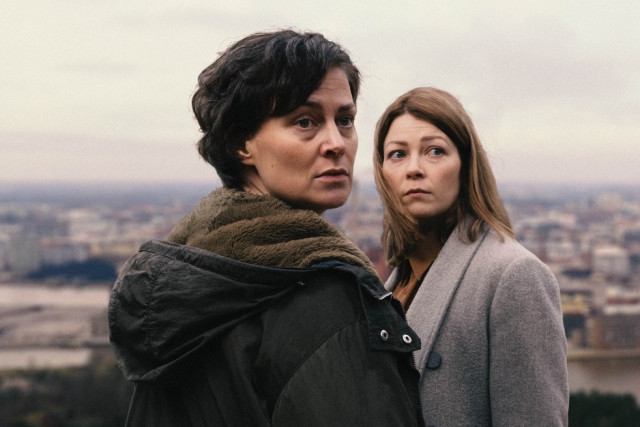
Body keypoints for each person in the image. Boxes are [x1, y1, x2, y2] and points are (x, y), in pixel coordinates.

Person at [108, 30, 424, 426]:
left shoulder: (187, 277)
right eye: (305, 121)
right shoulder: (323, 298)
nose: (336, 143)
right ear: (241, 143)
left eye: (345, 120)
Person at [373, 87, 569, 426]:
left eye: (435, 151)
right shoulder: (394, 284)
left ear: (466, 166)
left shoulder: (513, 276)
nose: (414, 169)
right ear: (382, 172)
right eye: (397, 154)